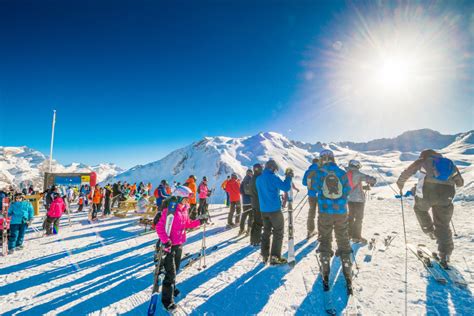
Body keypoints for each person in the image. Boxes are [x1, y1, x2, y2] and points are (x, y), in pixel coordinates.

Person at [396, 149, 464, 268]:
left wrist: (400, 183)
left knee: (420, 209)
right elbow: (460, 183)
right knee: (443, 225)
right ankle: (446, 254)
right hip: (446, 196)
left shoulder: (424, 160)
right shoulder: (449, 163)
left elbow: (408, 172)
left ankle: (429, 230)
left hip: (427, 193)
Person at [156, 186, 207, 311]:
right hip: (169, 246)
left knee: (176, 268)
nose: (187, 201)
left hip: (179, 244)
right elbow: (159, 227)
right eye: (185, 199)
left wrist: (199, 222)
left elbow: (187, 224)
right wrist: (165, 240)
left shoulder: (184, 209)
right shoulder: (170, 211)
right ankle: (167, 301)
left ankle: (172, 288)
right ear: (178, 198)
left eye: (188, 199)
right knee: (170, 273)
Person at [313, 150, 353, 293]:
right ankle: (347, 271)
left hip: (325, 212)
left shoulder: (319, 173)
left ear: (322, 159)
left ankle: (325, 271)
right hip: (341, 211)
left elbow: (315, 188)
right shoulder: (341, 172)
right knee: (343, 238)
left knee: (325, 239)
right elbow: (348, 190)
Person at [256, 159, 292, 264]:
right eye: (275, 169)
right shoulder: (273, 177)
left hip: (263, 210)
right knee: (278, 232)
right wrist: (288, 177)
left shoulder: (259, 179)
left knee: (266, 231)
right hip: (274, 210)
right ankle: (275, 257)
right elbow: (286, 187)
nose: (275, 171)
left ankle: (264, 255)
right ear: (272, 167)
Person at [346, 159, 376, 243]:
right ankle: (356, 237)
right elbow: (370, 179)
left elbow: (351, 185)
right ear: (357, 166)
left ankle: (348, 235)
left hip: (349, 198)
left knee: (351, 217)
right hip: (359, 200)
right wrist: (373, 180)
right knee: (358, 218)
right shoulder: (358, 174)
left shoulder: (346, 173)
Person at [302, 157, 320, 239]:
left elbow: (304, 183)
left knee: (311, 213)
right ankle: (321, 233)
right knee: (322, 214)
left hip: (311, 196)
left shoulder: (308, 171)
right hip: (321, 195)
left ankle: (310, 231)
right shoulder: (321, 170)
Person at [249, 163, 263, 246]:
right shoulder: (258, 179)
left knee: (256, 222)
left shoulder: (253, 178)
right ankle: (256, 240)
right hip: (258, 203)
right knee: (258, 222)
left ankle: (254, 239)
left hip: (254, 202)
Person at [239, 169, 253, 236]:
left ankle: (241, 230)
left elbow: (240, 191)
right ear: (250, 173)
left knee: (244, 216)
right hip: (251, 202)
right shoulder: (251, 180)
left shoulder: (243, 181)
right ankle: (249, 230)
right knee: (251, 217)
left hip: (245, 202)